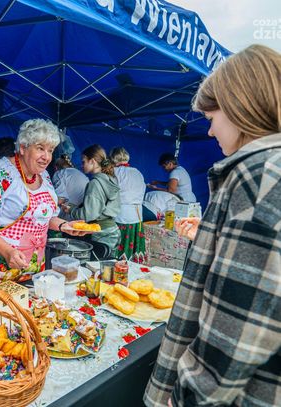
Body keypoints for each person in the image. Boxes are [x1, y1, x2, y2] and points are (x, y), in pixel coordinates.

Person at [144, 45, 281, 407]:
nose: (209, 131)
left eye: (211, 117)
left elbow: (237, 330)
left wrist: (188, 397)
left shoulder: (259, 176)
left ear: (239, 107)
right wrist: (212, 237)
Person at [0, 118, 89, 283]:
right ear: (23, 148)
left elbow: (43, 217)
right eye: (40, 148)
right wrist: (8, 252)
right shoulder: (0, 172)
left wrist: (64, 225)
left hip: (32, 267)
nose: (47, 157)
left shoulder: (44, 175)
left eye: (51, 150)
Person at [62, 144, 120, 256]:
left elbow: (89, 215)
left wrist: (71, 209)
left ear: (92, 161)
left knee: (97, 265)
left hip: (100, 233)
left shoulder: (95, 183)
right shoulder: (110, 179)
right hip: (112, 230)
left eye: (83, 161)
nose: (82, 165)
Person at [109, 147, 146, 259]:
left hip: (120, 214)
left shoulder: (114, 172)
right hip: (137, 215)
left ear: (112, 158)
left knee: (116, 249)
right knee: (131, 251)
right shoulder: (137, 172)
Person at [52, 154, 89, 220]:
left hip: (67, 218)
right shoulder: (83, 175)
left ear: (56, 168)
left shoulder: (60, 173)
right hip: (84, 217)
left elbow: (61, 199)